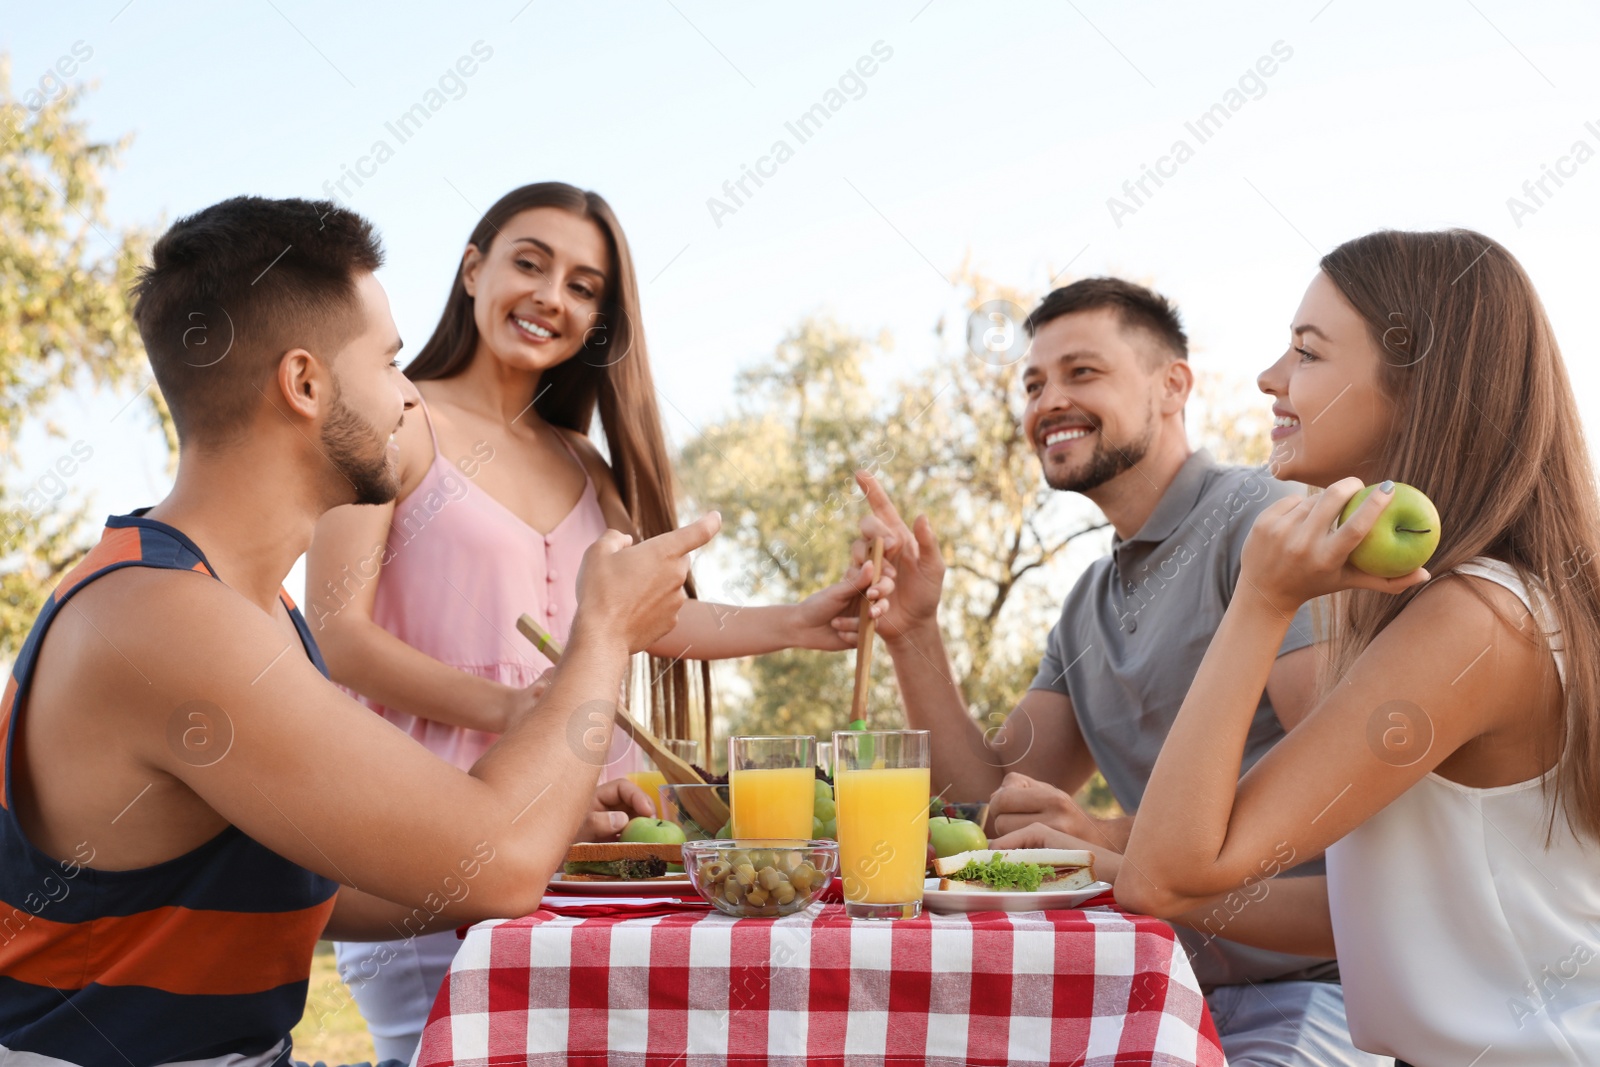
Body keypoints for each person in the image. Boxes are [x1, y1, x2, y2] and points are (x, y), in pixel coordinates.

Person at [0, 195, 724, 1065]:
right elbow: (498, 864)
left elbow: (321, 880)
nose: (409, 397)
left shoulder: (250, 612)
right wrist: (602, 631)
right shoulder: (164, 619)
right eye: (387, 362)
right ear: (305, 384)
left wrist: (549, 829)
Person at [304, 182, 882, 1061]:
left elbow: (655, 624)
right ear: (472, 269)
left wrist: (805, 619)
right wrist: (511, 710)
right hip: (423, 838)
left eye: (583, 286)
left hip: (588, 848)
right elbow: (336, 632)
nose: (551, 296)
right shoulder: (396, 420)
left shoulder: (587, 462)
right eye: (529, 264)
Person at [841, 278, 1383, 1065]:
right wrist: (913, 633)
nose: (1048, 401)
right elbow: (993, 794)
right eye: (1033, 384)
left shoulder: (1266, 524)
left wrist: (1114, 838)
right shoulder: (1088, 602)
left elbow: (1347, 800)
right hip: (1162, 986)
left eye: (1081, 372)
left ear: (1173, 386)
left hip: (1317, 993)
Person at [1117, 229, 1600, 1065]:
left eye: (1306, 352)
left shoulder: (1476, 622)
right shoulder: (1488, 603)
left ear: (1419, 387)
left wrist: (1260, 599)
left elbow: (1167, 873)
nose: (1271, 378)